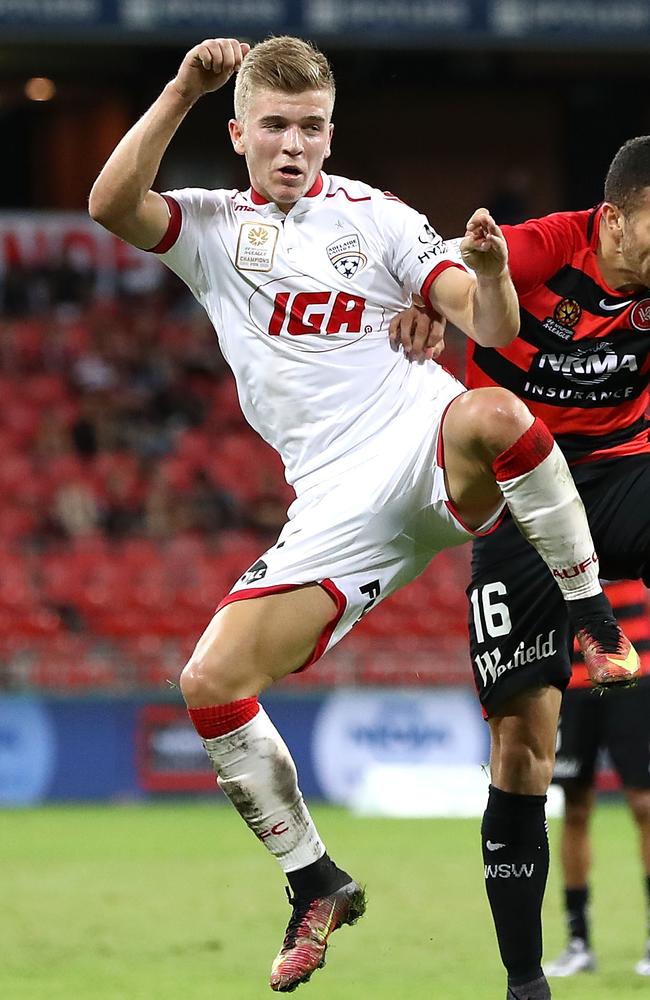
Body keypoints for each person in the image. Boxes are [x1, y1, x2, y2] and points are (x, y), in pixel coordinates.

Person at [89, 37, 637, 997]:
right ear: (239, 134)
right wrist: (180, 87)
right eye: (274, 127)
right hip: (338, 507)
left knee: (500, 414)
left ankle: (592, 618)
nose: (292, 145)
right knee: (211, 680)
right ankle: (317, 881)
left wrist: (492, 271)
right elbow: (109, 205)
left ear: (331, 134)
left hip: (428, 446)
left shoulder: (378, 218)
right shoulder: (211, 228)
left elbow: (493, 327)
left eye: (310, 128)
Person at [392, 133, 650, 1000]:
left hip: (622, 476)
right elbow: (444, 268)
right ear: (613, 220)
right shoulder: (545, 243)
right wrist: (426, 302)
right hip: (521, 498)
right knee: (520, 751)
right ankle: (525, 980)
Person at [545, 578, 650, 978]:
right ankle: (578, 943)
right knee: (575, 808)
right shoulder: (558, 517)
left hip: (634, 675)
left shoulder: (627, 518)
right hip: (574, 681)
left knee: (644, 803)